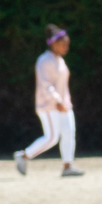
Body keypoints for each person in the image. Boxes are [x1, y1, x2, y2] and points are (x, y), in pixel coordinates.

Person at [15, 27, 82, 177]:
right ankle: (23, 156)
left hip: (64, 105)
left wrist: (64, 102)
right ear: (54, 44)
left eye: (67, 44)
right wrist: (57, 100)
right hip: (49, 106)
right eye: (64, 44)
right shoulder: (44, 60)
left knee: (69, 133)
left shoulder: (60, 61)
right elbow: (46, 85)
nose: (66, 47)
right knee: (52, 137)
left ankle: (67, 166)